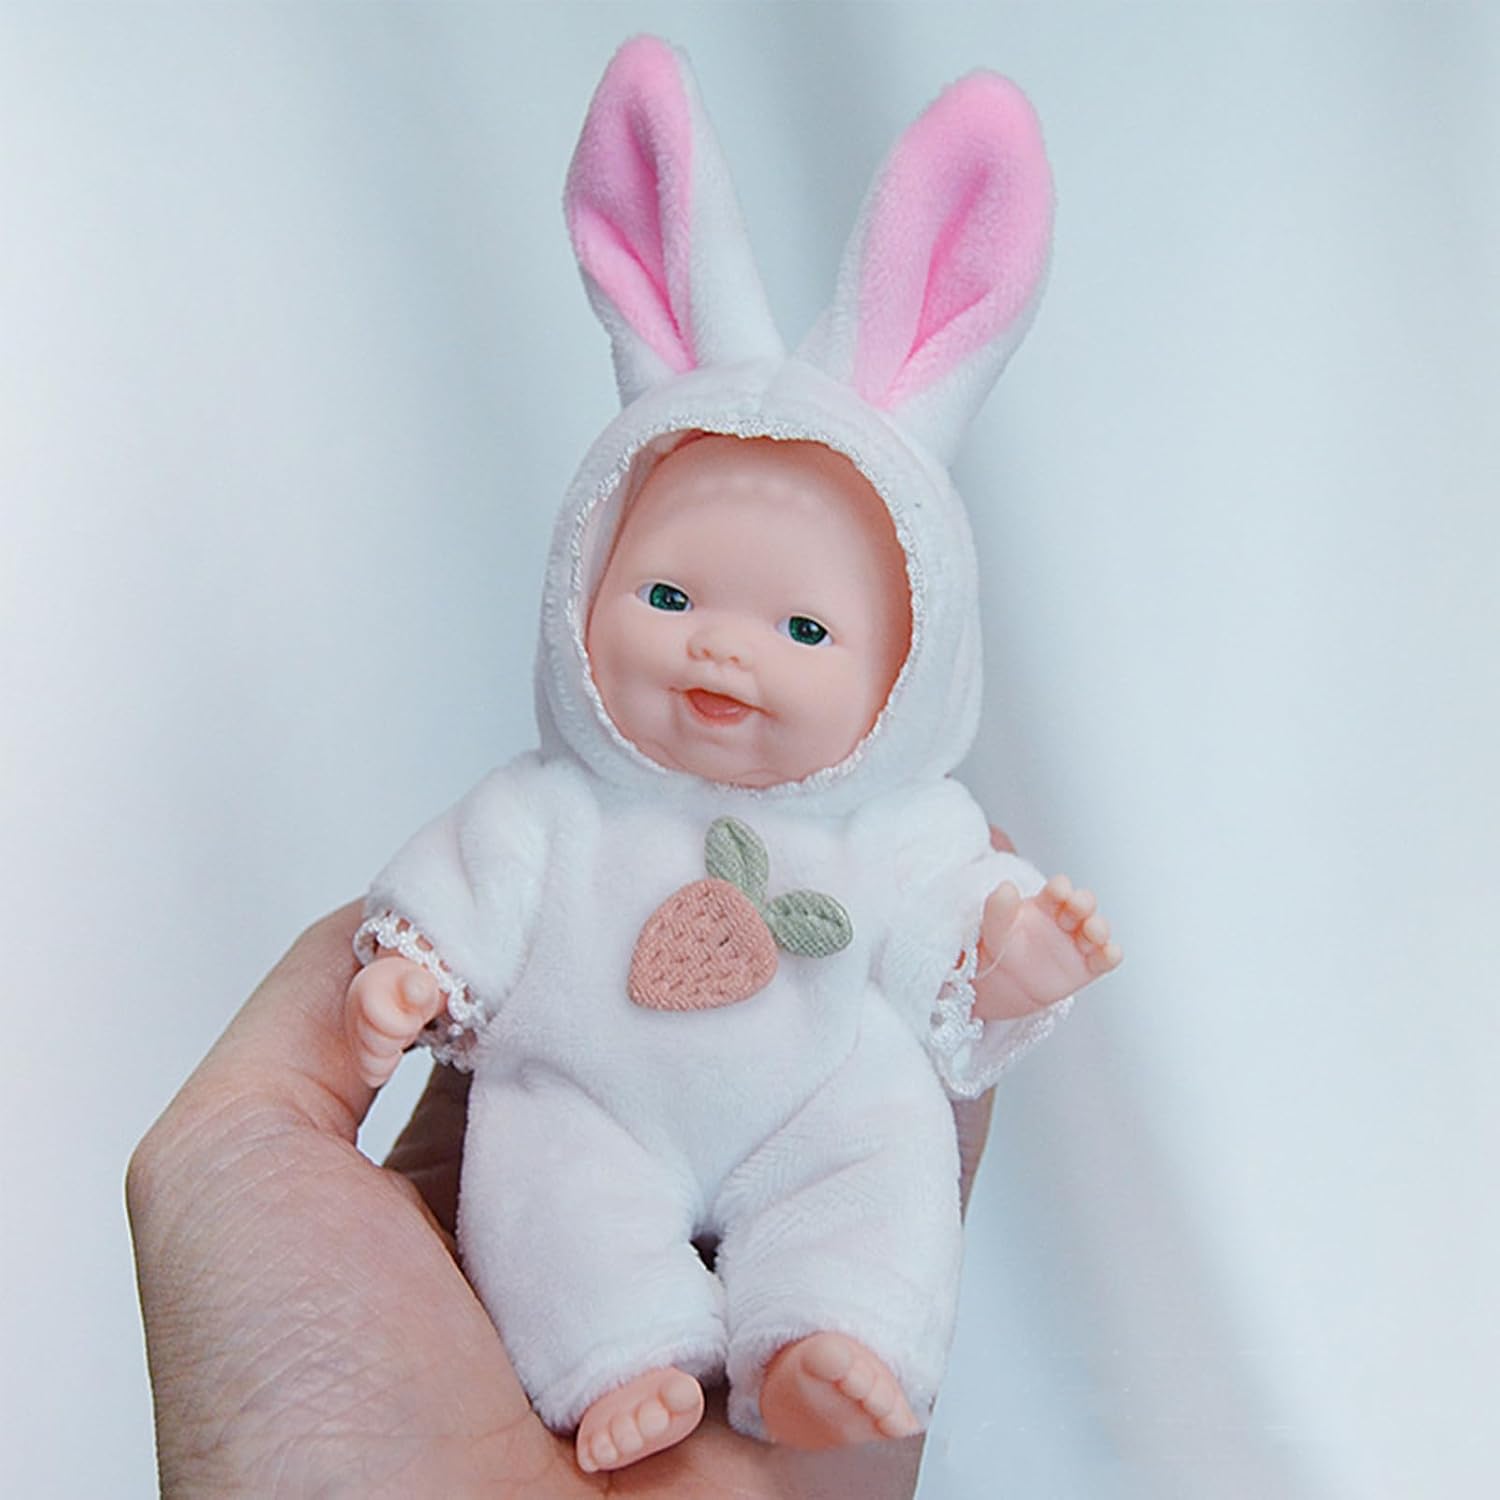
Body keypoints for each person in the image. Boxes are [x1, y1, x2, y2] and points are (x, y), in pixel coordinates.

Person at [126, 899, 1005, 1497]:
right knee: (544, 1194)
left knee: (877, 1169)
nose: (733, 677)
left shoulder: (893, 824)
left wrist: (1011, 955)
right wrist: (415, 971)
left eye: (808, 647)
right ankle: (615, 1361)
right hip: (597, 1095)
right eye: (668, 610)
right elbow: (472, 889)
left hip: (818, 1098)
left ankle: (820, 1340)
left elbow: (947, 928)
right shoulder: (555, 803)